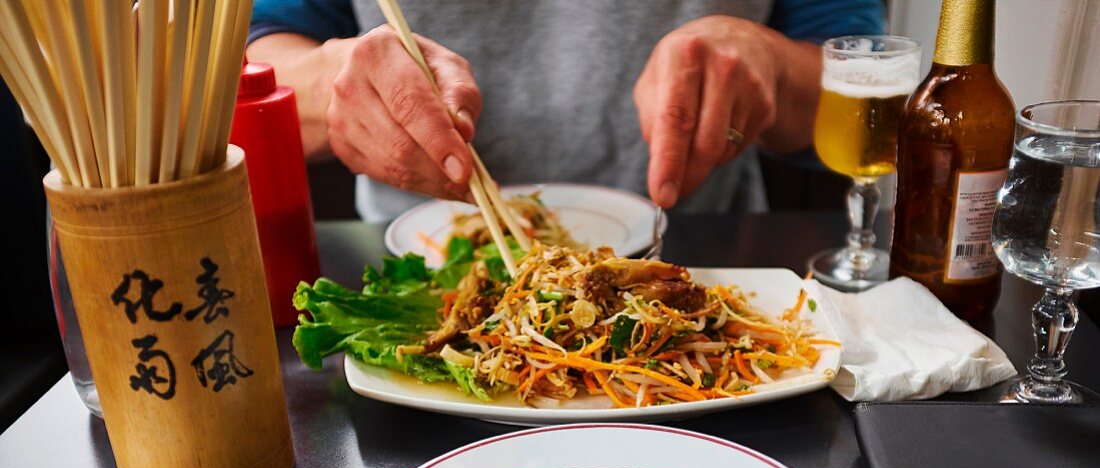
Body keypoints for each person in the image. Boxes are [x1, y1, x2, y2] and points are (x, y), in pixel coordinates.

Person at [248, 1, 885, 222]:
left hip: (700, 250)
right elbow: (248, 60)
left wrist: (767, 59)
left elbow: (858, 68)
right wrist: (333, 82)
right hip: (422, 269)